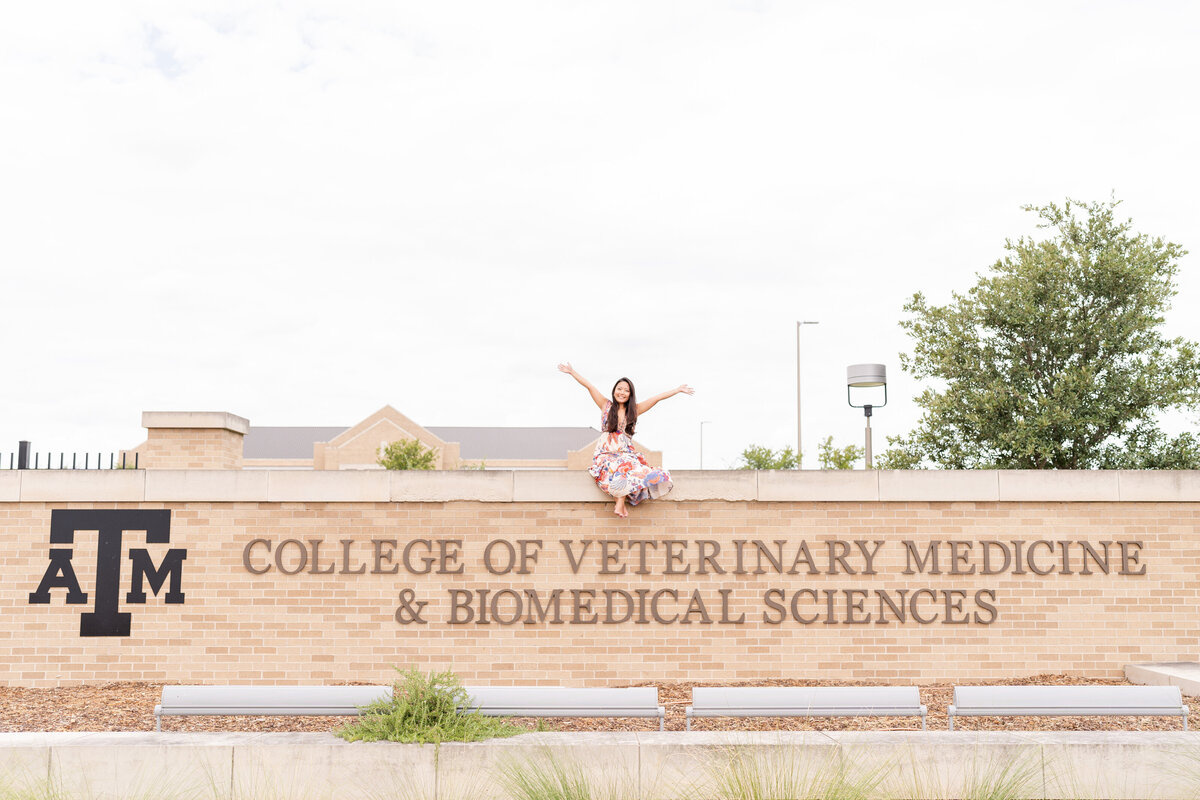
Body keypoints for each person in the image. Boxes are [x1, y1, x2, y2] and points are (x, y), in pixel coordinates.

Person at [557, 363, 694, 518]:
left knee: (630, 468)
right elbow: (589, 386)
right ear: (614, 390)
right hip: (606, 452)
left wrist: (677, 390)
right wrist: (572, 372)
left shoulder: (633, 410)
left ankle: (620, 503)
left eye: (626, 390)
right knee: (615, 467)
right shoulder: (605, 405)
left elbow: (656, 399)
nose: (622, 392)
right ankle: (620, 503)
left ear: (630, 394)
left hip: (625, 452)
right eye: (619, 389)